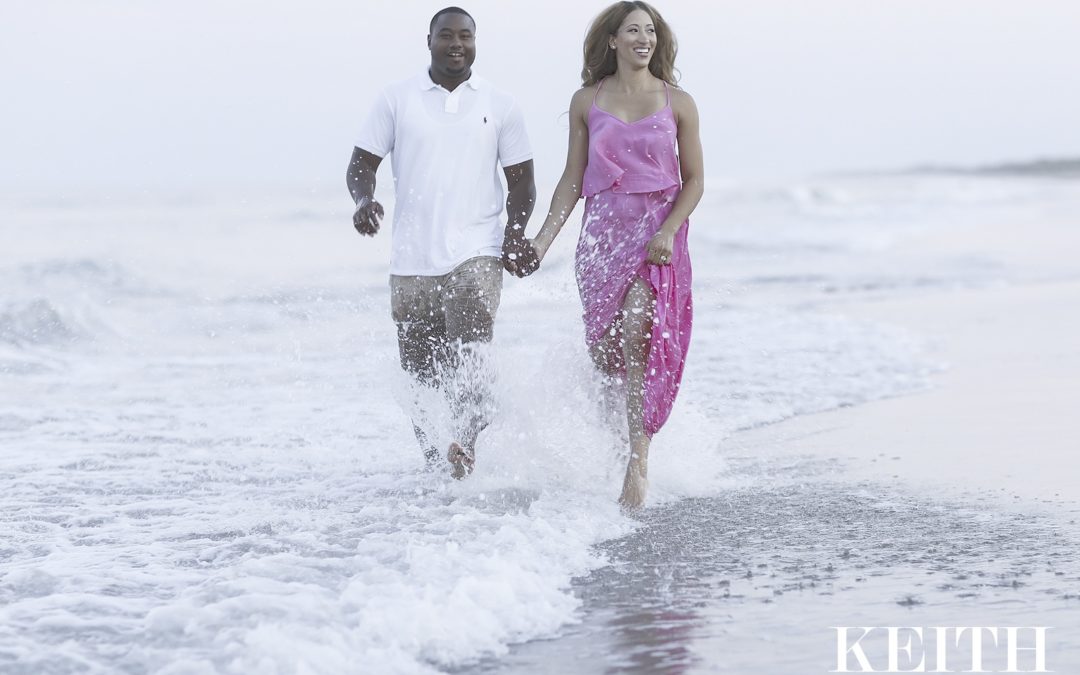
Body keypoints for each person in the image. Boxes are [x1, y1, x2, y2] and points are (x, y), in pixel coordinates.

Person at [346, 6, 539, 479]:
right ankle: (440, 464)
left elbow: (522, 184)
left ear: (476, 42)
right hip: (411, 260)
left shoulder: (501, 103)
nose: (457, 44)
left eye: (466, 36)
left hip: (477, 250)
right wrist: (363, 201)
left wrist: (514, 234)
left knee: (472, 346)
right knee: (421, 379)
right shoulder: (396, 99)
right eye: (447, 35)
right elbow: (361, 165)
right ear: (428, 40)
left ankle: (468, 445)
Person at [528, 1, 703, 509]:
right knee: (609, 358)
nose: (643, 38)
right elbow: (571, 181)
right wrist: (543, 240)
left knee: (639, 332)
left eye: (650, 31)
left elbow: (694, 180)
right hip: (602, 239)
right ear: (613, 40)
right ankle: (615, 442)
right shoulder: (588, 101)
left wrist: (670, 230)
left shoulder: (680, 102)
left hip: (657, 236)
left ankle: (637, 463)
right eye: (633, 30)